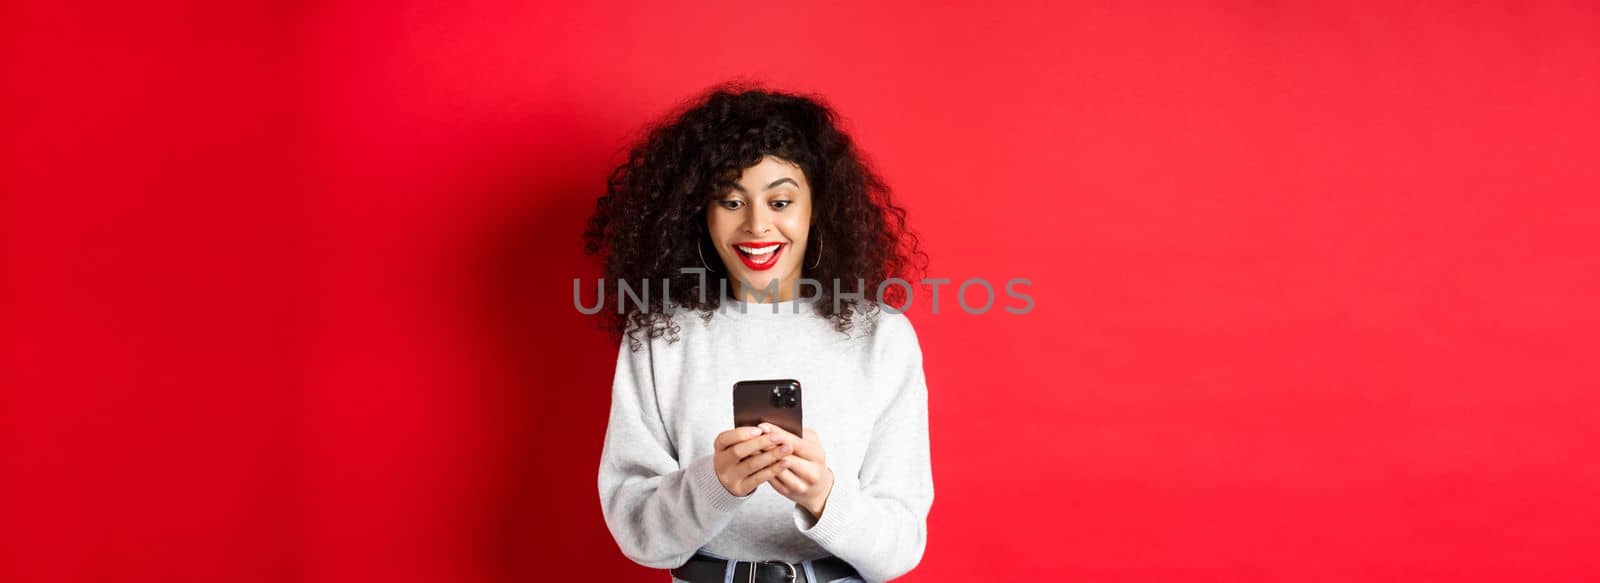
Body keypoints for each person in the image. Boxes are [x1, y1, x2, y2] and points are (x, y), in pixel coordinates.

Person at [585, 84, 933, 583]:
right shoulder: (661, 335)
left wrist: (823, 497)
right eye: (731, 201)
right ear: (699, 214)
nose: (757, 226)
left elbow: (900, 549)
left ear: (818, 209)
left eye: (781, 201)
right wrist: (716, 483)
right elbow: (638, 533)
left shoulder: (882, 338)